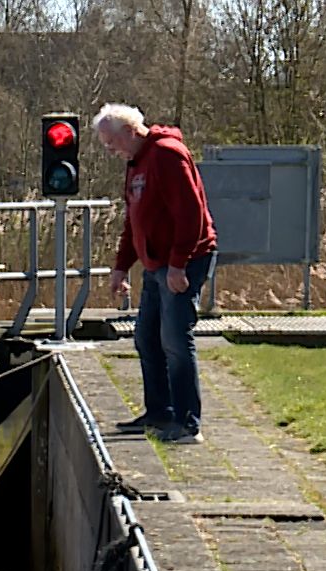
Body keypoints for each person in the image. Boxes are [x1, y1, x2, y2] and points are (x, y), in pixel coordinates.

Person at [94, 103, 217, 445]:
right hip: (155, 264)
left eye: (111, 142)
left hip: (184, 259)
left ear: (131, 132)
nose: (110, 150)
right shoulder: (136, 163)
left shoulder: (166, 155)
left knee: (175, 340)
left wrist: (179, 263)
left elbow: (191, 214)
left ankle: (188, 423)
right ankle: (159, 412)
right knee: (147, 338)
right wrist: (121, 266)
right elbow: (134, 221)